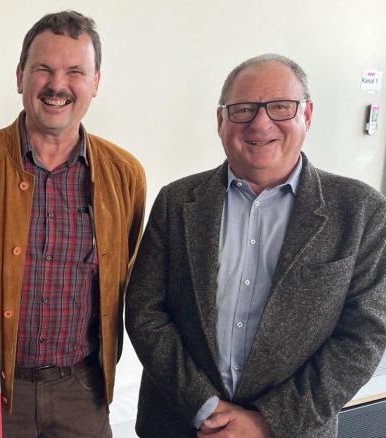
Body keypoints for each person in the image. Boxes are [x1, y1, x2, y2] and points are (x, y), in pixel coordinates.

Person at [126, 54, 386, 437]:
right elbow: (145, 311)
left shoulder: (361, 211)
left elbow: (364, 336)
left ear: (307, 115)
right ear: (221, 121)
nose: (260, 123)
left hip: (293, 429)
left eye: (281, 107)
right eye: (243, 109)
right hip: (179, 425)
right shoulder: (177, 202)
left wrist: (267, 421)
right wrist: (207, 408)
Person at [0, 10, 146, 437]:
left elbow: (132, 284)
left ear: (96, 82)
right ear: (19, 77)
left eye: (75, 72)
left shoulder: (126, 176)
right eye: (43, 69)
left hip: (82, 394)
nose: (57, 85)